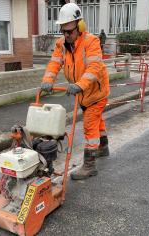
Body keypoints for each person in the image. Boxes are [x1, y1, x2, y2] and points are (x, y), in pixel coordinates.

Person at [40, 3, 110, 180]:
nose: (66, 35)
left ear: (80, 27)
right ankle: (103, 147)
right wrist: (48, 81)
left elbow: (95, 67)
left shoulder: (91, 42)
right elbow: (54, 63)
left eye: (69, 31)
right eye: (63, 31)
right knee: (97, 120)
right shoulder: (61, 44)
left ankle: (89, 165)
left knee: (90, 125)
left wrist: (80, 84)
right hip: (83, 93)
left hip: (95, 91)